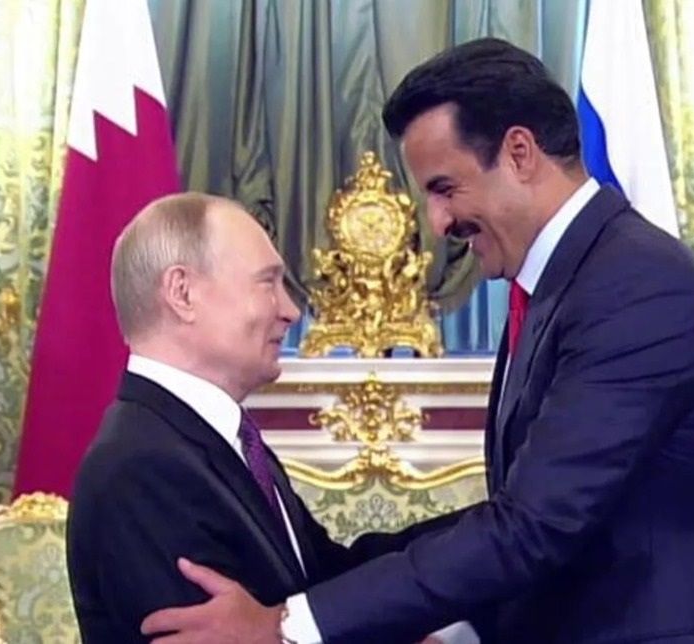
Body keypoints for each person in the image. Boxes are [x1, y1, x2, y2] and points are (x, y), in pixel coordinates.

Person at [140, 37, 694, 644]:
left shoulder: (636, 288)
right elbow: (532, 511)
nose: (437, 223)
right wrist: (343, 587)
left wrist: (289, 625)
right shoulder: (567, 283)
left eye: (444, 188)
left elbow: (533, 526)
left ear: (519, 153)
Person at [65, 194, 462, 644]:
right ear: (183, 293)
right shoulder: (141, 468)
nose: (291, 310)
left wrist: (502, 527)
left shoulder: (218, 439)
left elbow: (321, 580)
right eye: (267, 282)